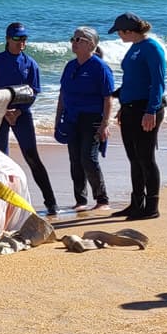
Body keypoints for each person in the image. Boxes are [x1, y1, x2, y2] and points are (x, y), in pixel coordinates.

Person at [0, 22, 59, 214]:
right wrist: (4, 111)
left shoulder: (30, 63)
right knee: (1, 159)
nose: (21, 42)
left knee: (32, 156)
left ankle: (51, 202)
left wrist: (19, 111)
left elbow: (34, 91)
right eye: (17, 38)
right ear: (8, 39)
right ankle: (4, 205)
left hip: (22, 115)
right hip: (0, 114)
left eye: (24, 39)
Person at [108, 12, 166, 220]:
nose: (119, 36)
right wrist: (118, 96)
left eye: (119, 32)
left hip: (146, 109)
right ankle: (136, 203)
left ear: (129, 31)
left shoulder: (152, 48)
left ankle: (151, 206)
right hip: (130, 108)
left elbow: (157, 83)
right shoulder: (134, 47)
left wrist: (151, 110)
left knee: (146, 158)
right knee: (134, 159)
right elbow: (134, 80)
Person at [54, 26, 115, 212]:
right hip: (72, 118)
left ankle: (102, 199)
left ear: (90, 44)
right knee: (75, 159)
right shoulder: (70, 66)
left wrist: (105, 124)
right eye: (73, 39)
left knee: (88, 158)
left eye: (78, 40)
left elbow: (108, 98)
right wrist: (57, 120)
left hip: (93, 118)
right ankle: (80, 200)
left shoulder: (100, 67)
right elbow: (62, 94)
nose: (74, 42)